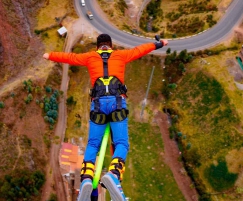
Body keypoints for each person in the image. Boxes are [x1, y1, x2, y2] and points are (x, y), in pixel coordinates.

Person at [43, 33, 168, 201]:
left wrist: (49, 55)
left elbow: (69, 57)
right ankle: (114, 174)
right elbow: (141, 50)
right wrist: (159, 44)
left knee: (93, 143)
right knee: (121, 143)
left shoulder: (89, 57)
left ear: (97, 47)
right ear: (110, 45)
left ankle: (87, 178)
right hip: (117, 104)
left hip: (98, 106)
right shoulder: (120, 55)